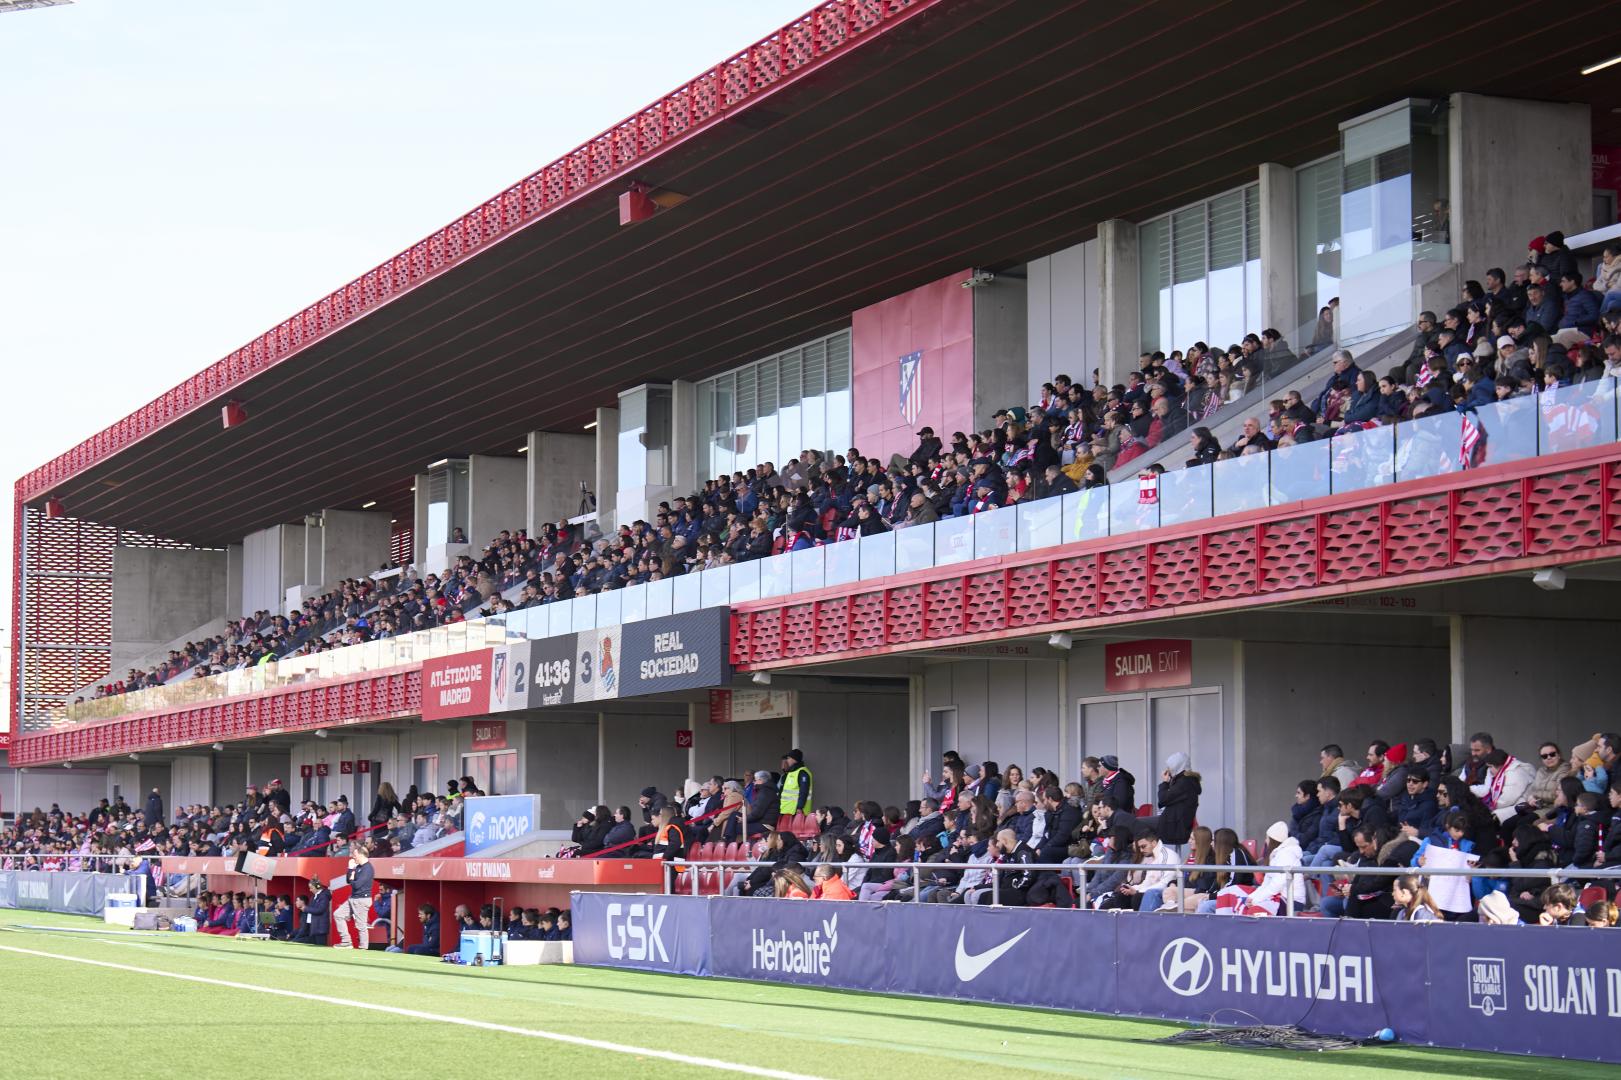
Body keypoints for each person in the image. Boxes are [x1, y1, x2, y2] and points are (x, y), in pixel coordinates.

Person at [333, 846, 374, 949]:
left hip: (362, 899)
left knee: (361, 925)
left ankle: (363, 947)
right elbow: (348, 880)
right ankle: (346, 941)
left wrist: (352, 878)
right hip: (353, 898)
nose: (352, 857)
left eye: (354, 855)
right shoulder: (358, 867)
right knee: (338, 914)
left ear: (361, 855)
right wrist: (350, 869)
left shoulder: (368, 868)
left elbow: (356, 885)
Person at [778, 749, 813, 817]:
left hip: (796, 812)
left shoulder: (802, 772)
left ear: (794, 759)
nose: (787, 760)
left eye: (788, 758)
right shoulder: (791, 772)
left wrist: (799, 807)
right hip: (786, 810)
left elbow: (803, 792)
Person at [302, 879, 331, 945]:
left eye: (311, 888)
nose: (310, 890)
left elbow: (320, 910)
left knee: (320, 946)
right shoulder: (314, 896)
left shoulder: (324, 896)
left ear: (317, 887)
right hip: (314, 926)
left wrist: (306, 909)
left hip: (320, 927)